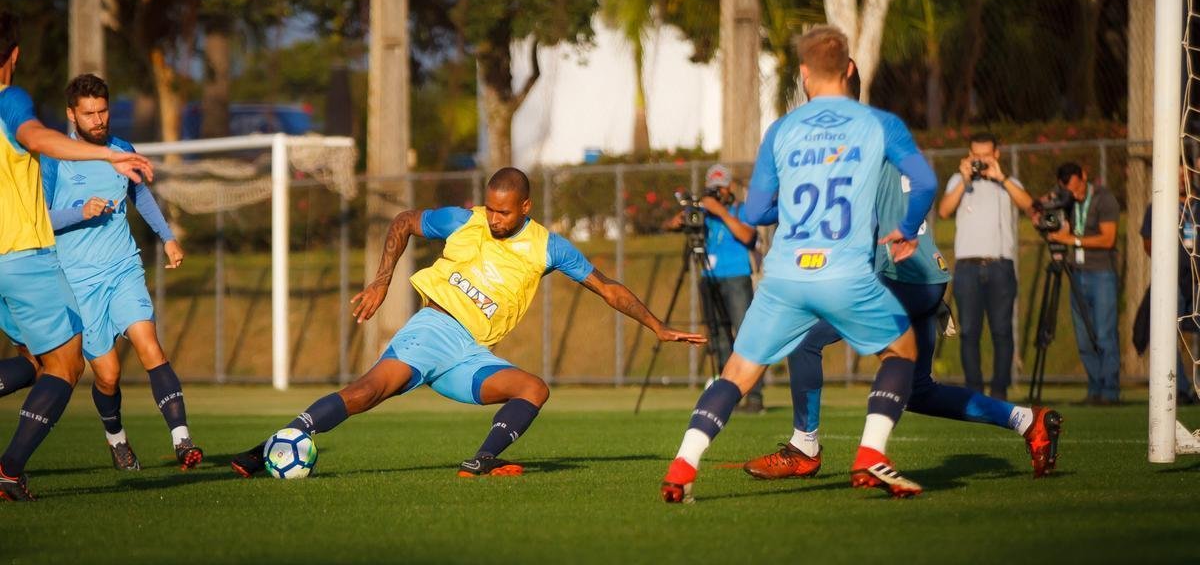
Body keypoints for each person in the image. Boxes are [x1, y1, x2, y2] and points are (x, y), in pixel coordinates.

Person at [230, 167, 705, 478]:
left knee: (532, 389)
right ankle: (267, 447)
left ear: (525, 207)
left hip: (471, 354)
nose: (494, 218)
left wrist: (657, 326)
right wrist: (381, 281)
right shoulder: (465, 220)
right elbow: (404, 221)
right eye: (490, 207)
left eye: (503, 211)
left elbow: (608, 287)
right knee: (365, 393)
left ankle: (482, 459)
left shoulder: (548, 247)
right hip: (433, 330)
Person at [742, 61, 1062, 481]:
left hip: (895, 275)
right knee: (919, 391)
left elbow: (793, 213)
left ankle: (807, 447)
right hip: (926, 276)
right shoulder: (881, 131)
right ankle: (1028, 421)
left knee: (804, 338)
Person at [659, 25, 934, 502]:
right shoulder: (879, 123)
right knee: (902, 351)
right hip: (845, 273)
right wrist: (907, 229)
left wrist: (787, 208)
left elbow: (753, 212)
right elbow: (925, 183)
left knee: (736, 373)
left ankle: (683, 465)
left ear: (804, 74)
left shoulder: (782, 130)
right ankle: (871, 453)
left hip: (784, 276)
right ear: (849, 69)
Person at [0, 12, 154, 501]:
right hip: (20, 255)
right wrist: (108, 154)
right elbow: (36, 138)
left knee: (33, 358)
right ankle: (8, 472)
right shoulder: (10, 99)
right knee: (66, 366)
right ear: (14, 54)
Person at [41, 74, 200, 471]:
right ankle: (117, 439)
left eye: (103, 111)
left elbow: (140, 195)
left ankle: (183, 441)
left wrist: (168, 238)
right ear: (71, 115)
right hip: (79, 281)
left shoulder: (122, 150)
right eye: (89, 114)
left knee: (150, 345)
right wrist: (80, 212)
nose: (98, 120)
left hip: (123, 267)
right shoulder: (55, 158)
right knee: (108, 376)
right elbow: (38, 220)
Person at [937, 132, 1033, 401]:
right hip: (967, 267)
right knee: (969, 331)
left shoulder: (1008, 182)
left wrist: (1001, 177)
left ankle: (1000, 391)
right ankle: (974, 392)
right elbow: (943, 211)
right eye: (976, 156)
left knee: (1002, 330)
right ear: (969, 155)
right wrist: (964, 180)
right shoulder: (958, 181)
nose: (980, 161)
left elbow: (1029, 206)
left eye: (986, 156)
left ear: (996, 155)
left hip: (1000, 264)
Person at [664, 163, 762, 411]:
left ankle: (754, 397)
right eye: (713, 190)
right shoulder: (702, 213)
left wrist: (721, 212)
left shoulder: (740, 210)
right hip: (709, 277)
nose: (717, 194)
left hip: (737, 277)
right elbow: (669, 225)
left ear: (730, 188)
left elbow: (748, 237)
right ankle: (727, 395)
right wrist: (681, 219)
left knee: (745, 335)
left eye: (721, 188)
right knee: (718, 337)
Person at [1042, 162, 1121, 404]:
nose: (1075, 195)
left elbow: (1108, 239)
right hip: (1076, 273)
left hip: (1101, 274)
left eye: (1077, 189)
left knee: (1105, 335)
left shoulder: (1104, 199)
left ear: (1084, 176)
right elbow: (1044, 214)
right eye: (1069, 191)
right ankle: (1094, 389)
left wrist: (1072, 240)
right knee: (1084, 338)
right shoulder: (1065, 200)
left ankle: (1110, 392)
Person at [1138, 167, 1199, 404]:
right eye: (1177, 174)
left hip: (1197, 279)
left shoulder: (1197, 204)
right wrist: (1165, 263)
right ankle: (1178, 388)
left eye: (1185, 174)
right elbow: (1147, 241)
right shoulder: (1159, 206)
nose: (1181, 179)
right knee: (1166, 331)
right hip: (1172, 280)